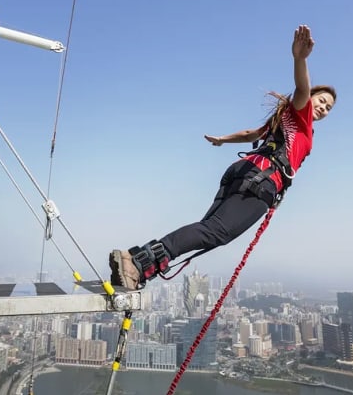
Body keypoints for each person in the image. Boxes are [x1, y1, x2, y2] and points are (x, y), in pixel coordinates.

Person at [109, 25, 336, 290]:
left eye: (329, 108)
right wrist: (300, 59)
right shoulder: (302, 118)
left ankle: (142, 266)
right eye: (321, 101)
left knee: (209, 229)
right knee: (217, 231)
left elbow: (252, 133)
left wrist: (222, 139)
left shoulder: (284, 119)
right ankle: (136, 261)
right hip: (260, 181)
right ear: (311, 99)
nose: (322, 108)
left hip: (243, 173)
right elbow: (301, 88)